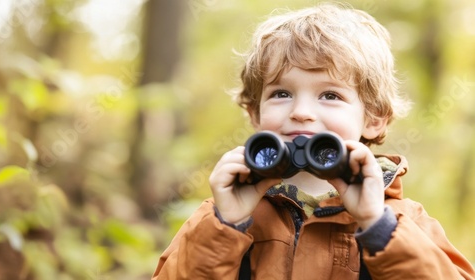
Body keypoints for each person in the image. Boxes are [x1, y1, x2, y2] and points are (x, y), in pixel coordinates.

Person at [152, 3, 475, 279]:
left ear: (374, 119)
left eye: (330, 95)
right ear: (255, 113)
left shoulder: (402, 219)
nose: (302, 112)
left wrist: (378, 227)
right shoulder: (221, 214)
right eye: (281, 93)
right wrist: (226, 225)